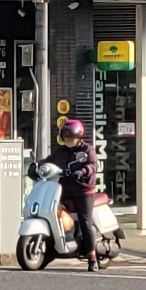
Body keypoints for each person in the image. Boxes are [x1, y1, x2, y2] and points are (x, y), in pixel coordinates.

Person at [50, 99, 103, 259]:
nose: (68, 140)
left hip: (83, 190)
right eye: (65, 137)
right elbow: (50, 160)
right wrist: (38, 165)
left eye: (70, 137)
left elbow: (93, 165)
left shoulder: (88, 150)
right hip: (65, 189)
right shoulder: (61, 151)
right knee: (54, 211)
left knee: (85, 221)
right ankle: (67, 239)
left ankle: (92, 255)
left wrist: (83, 171)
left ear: (78, 136)